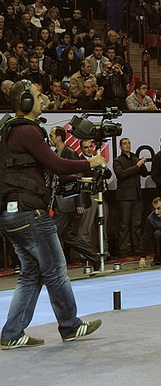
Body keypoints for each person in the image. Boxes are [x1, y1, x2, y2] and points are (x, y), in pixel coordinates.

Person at [0, 80, 105, 349]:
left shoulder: (12, 131)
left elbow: (42, 171)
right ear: (24, 101)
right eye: (37, 94)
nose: (43, 98)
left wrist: (77, 175)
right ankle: (70, 325)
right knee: (56, 270)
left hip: (14, 214)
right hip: (30, 214)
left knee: (31, 273)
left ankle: (12, 333)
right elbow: (55, 164)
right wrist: (89, 162)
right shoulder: (26, 130)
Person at [48, 127, 101, 271]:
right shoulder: (56, 154)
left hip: (67, 202)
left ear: (58, 138)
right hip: (59, 201)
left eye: (52, 135)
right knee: (70, 237)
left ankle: (51, 268)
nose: (50, 138)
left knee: (51, 235)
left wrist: (80, 202)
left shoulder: (70, 153)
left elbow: (79, 178)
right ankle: (94, 257)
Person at [113, 137, 149, 257]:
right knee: (124, 225)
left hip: (137, 196)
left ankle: (137, 248)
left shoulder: (135, 157)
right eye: (124, 144)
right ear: (120, 147)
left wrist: (141, 164)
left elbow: (144, 173)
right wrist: (137, 166)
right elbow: (121, 175)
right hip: (124, 197)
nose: (127, 145)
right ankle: (122, 250)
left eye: (129, 143)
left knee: (137, 224)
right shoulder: (117, 160)